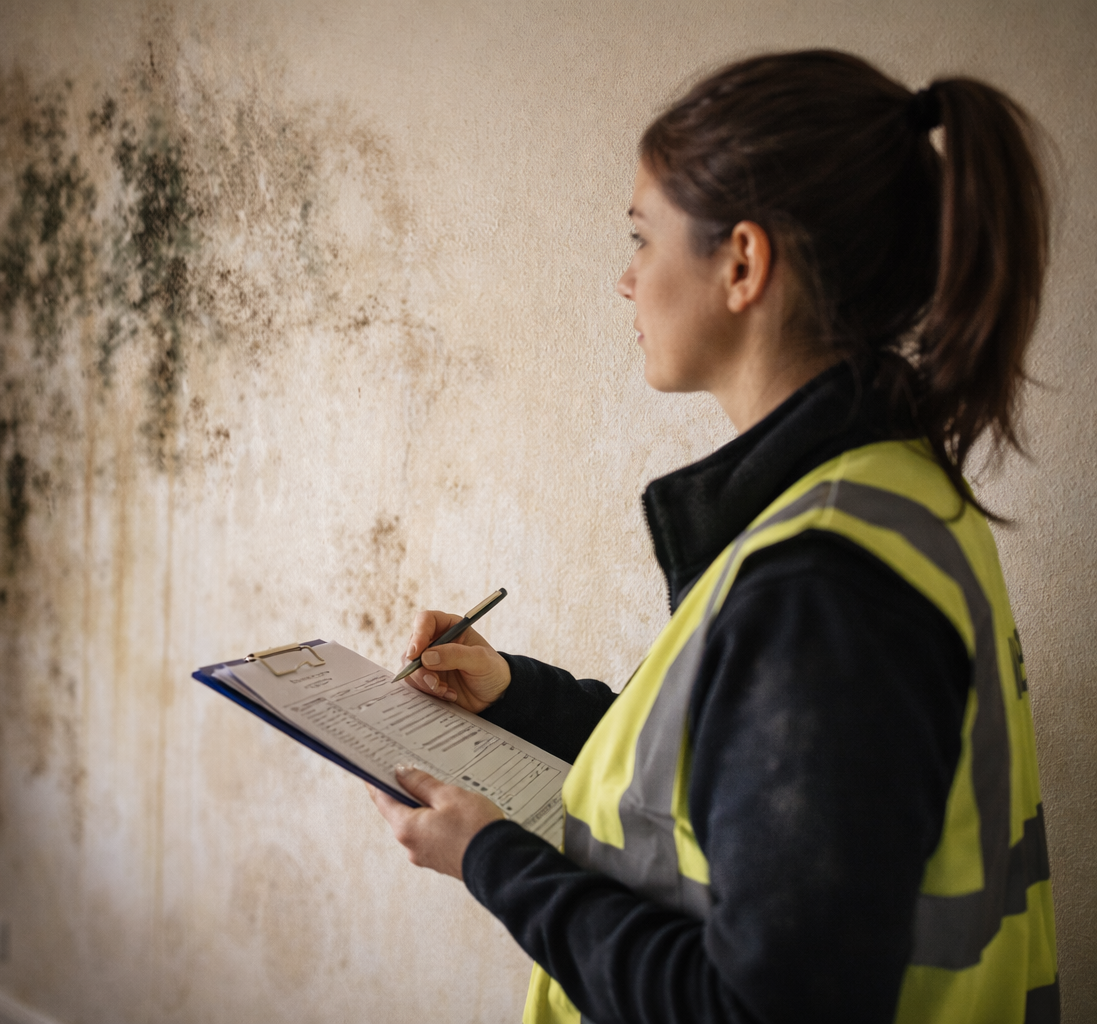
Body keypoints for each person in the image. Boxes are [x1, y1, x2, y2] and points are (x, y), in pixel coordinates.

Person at [369, 49, 1058, 1024]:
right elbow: (732, 789)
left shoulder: (825, 584)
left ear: (742, 262)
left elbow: (751, 1007)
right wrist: (521, 695)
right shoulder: (888, 494)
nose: (625, 278)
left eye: (643, 236)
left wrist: (494, 860)